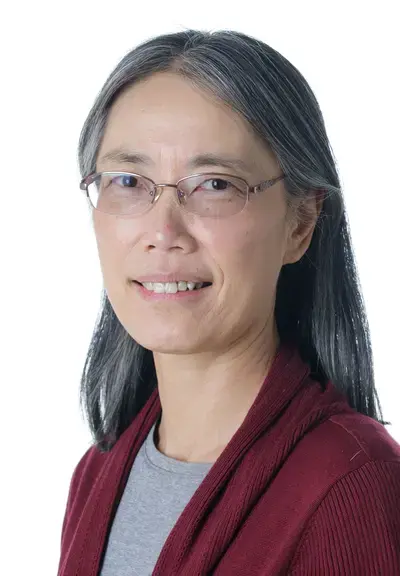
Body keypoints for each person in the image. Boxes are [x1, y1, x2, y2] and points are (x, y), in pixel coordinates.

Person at [58, 29, 400, 575]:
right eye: (128, 180)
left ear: (301, 222)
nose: (163, 231)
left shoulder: (352, 484)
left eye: (215, 184)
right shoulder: (98, 473)